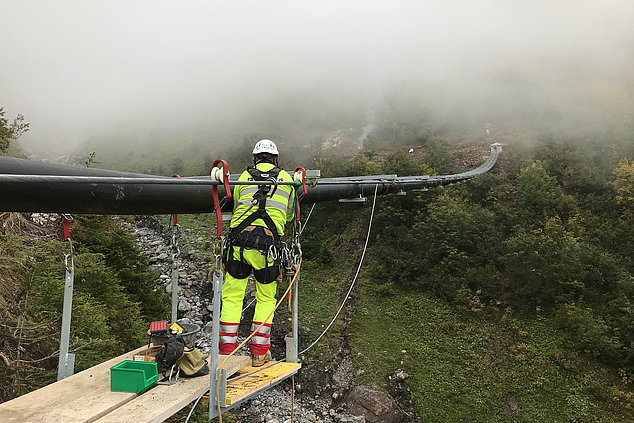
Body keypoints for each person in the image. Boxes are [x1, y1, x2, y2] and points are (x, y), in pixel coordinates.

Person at [219, 139, 296, 366]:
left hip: (239, 245)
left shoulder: (243, 177)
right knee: (265, 298)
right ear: (276, 160)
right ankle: (259, 354)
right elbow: (290, 215)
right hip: (268, 248)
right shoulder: (287, 180)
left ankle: (227, 353)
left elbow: (235, 207)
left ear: (255, 159)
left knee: (232, 297)